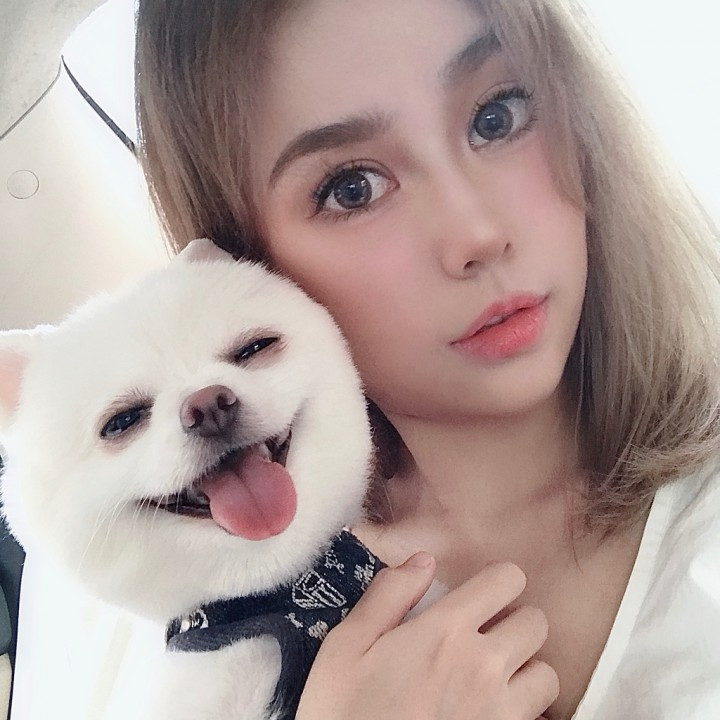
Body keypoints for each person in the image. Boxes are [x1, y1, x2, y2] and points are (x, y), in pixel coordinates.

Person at [133, 0, 720, 718]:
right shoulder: (239, 621)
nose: (477, 233)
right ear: (249, 267)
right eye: (353, 189)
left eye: (496, 117)